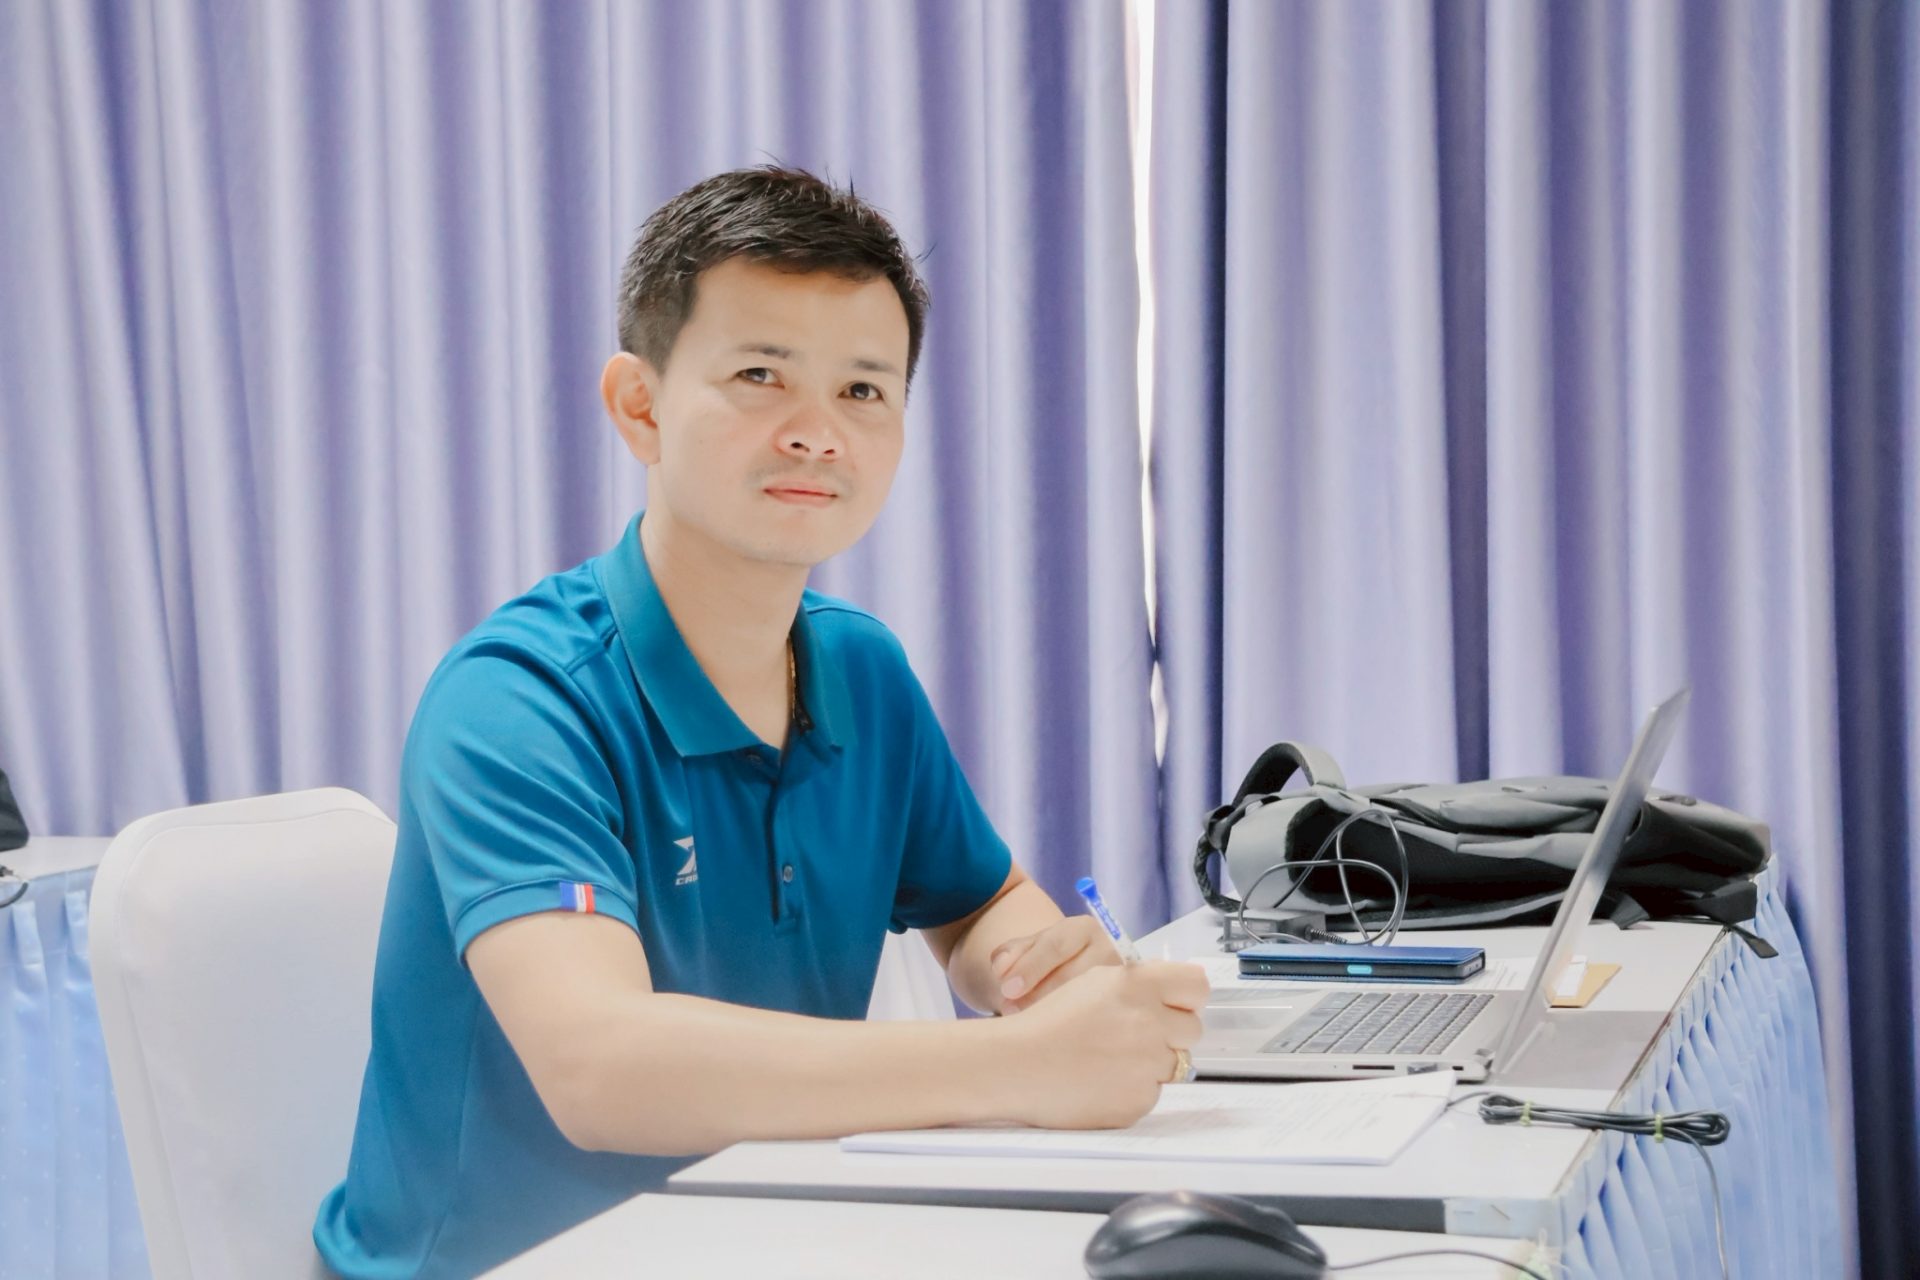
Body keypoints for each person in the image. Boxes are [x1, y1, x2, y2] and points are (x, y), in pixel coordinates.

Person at [313, 165, 1206, 1278]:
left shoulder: (860, 668)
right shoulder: (517, 698)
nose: (818, 433)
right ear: (640, 406)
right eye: (759, 376)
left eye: (863, 390)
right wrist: (1025, 1065)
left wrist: (1041, 973)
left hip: (766, 1233)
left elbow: (978, 904)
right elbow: (602, 1068)